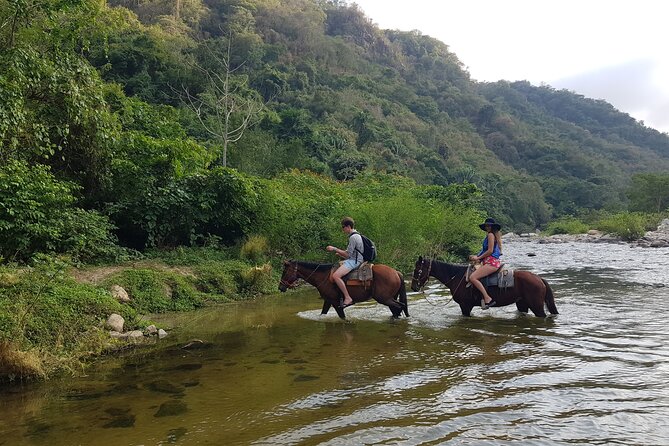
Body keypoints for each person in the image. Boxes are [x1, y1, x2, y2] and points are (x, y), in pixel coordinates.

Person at [326, 217, 364, 307]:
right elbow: (350, 253)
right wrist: (340, 254)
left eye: (343, 227)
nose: (343, 229)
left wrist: (334, 248)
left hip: (355, 261)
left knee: (335, 276)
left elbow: (348, 255)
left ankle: (347, 297)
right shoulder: (357, 235)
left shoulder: (353, 237)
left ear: (348, 226)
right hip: (355, 259)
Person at [468, 217, 503, 309]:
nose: (487, 227)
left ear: (492, 227)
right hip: (488, 261)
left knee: (473, 277)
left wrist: (478, 257)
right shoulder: (491, 235)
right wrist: (476, 256)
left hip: (491, 262)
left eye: (489, 225)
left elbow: (490, 251)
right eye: (486, 225)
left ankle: (487, 298)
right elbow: (484, 250)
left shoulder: (490, 235)